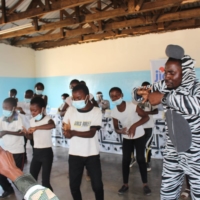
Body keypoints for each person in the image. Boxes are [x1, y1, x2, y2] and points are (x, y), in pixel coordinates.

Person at [133, 44, 200, 200]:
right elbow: (142, 91)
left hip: (196, 154)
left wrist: (164, 98)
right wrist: (139, 92)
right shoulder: (165, 85)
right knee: (167, 194)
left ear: (186, 73)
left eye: (172, 73)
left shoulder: (196, 88)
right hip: (172, 151)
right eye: (165, 72)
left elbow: (196, 106)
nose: (167, 76)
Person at [62, 84, 104, 200]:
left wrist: (73, 132)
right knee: (74, 186)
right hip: (75, 154)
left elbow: (91, 133)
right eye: (74, 98)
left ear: (87, 97)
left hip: (92, 154)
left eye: (79, 98)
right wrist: (66, 132)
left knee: (97, 186)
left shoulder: (96, 111)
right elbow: (65, 128)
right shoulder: (71, 110)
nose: (76, 101)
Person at [109, 87, 151, 195]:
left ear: (122, 95)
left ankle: (145, 185)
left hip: (139, 135)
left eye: (117, 95)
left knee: (141, 159)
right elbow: (116, 128)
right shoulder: (114, 112)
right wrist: (120, 130)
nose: (115, 97)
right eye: (112, 96)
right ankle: (125, 184)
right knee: (125, 160)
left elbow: (146, 117)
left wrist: (134, 126)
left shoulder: (131, 105)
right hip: (127, 137)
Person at [26, 97, 55, 191]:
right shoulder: (32, 120)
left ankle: (50, 197)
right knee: (32, 179)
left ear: (42, 109)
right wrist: (27, 134)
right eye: (31, 110)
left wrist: (36, 127)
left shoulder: (47, 119)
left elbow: (52, 125)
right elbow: (31, 138)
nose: (33, 113)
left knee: (45, 182)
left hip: (46, 153)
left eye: (35, 110)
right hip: (36, 152)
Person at [0, 98, 25, 198]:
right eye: (3, 107)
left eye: (7, 108)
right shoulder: (2, 118)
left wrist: (6, 132)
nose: (4, 109)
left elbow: (22, 132)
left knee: (16, 177)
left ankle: (27, 194)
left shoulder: (19, 118)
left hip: (17, 151)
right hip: (6, 151)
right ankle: (8, 189)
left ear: (13, 108)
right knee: (1, 174)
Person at [134, 81, 158, 172]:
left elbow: (156, 111)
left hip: (149, 126)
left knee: (148, 146)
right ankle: (139, 161)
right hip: (139, 126)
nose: (144, 90)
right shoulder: (136, 101)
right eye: (143, 88)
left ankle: (148, 162)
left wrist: (145, 113)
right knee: (139, 146)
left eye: (146, 88)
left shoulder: (152, 100)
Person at [16, 89, 34, 161]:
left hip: (32, 128)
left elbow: (32, 113)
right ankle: (24, 158)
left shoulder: (34, 104)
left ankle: (35, 157)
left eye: (29, 96)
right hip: (22, 127)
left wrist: (24, 112)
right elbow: (14, 108)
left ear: (32, 96)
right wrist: (18, 108)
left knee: (33, 144)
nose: (27, 98)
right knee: (23, 144)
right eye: (26, 96)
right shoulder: (20, 103)